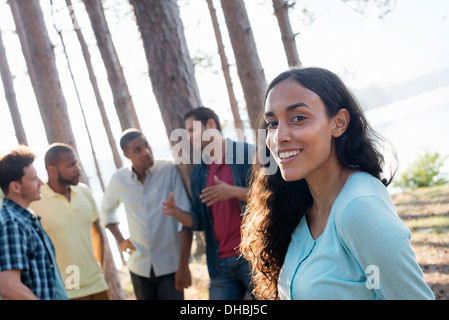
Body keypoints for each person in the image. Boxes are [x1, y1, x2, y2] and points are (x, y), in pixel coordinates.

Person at [240, 67, 435, 300]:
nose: (279, 136)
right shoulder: (302, 204)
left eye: (298, 118)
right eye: (272, 123)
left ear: (338, 123)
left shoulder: (359, 208)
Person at [163, 107, 256, 300]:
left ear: (211, 125)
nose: (188, 137)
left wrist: (233, 192)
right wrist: (176, 212)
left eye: (191, 130)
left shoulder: (247, 154)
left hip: (253, 257)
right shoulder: (199, 173)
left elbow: (271, 199)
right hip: (220, 263)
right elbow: (199, 221)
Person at [101, 129, 192, 300]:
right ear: (127, 155)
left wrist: (183, 267)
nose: (146, 152)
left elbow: (185, 222)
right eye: (138, 150)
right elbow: (106, 211)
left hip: (171, 267)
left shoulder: (169, 170)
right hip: (139, 267)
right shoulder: (118, 180)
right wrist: (120, 240)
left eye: (146, 145)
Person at [29, 143, 109, 300]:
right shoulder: (35, 202)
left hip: (98, 285)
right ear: (52, 170)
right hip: (66, 291)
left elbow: (96, 231)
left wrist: (99, 268)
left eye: (77, 163)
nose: (77, 169)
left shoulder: (84, 191)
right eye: (71, 165)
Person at [0, 146, 68, 300]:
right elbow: (9, 287)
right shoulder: (12, 224)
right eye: (33, 179)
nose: (40, 183)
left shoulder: (28, 218)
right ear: (15, 187)